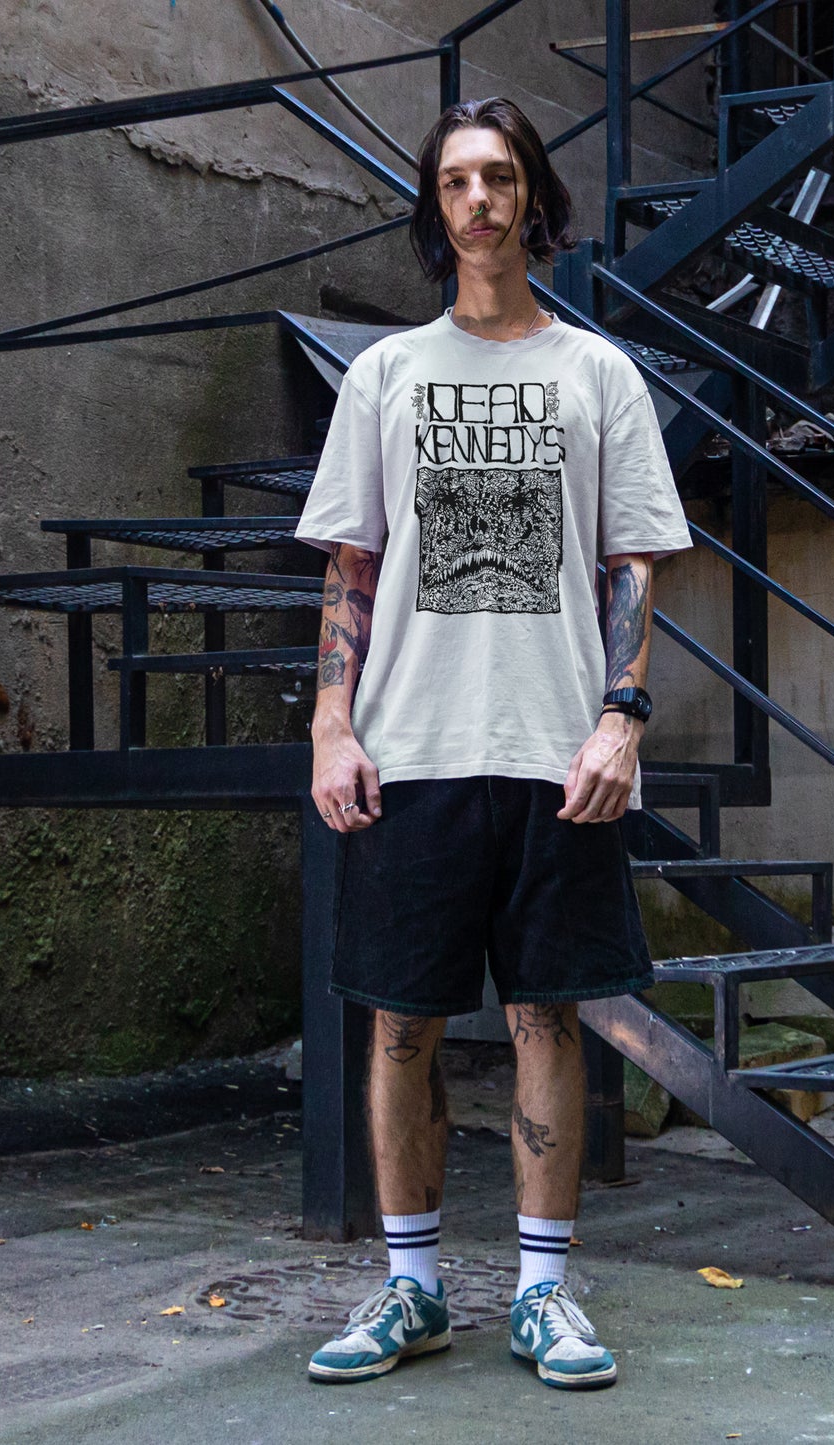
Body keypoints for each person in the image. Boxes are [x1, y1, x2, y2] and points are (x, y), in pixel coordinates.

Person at [294, 95, 690, 1391]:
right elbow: (351, 565)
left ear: (533, 202)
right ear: (436, 207)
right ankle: (411, 1289)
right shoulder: (386, 376)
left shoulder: (597, 375)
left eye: (500, 176)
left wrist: (621, 718)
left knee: (544, 1018)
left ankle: (541, 1291)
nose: (478, 198)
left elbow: (631, 562)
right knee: (399, 1025)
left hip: (554, 752)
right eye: (456, 179)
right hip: (407, 751)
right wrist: (330, 724)